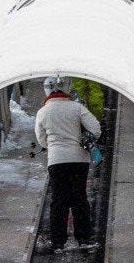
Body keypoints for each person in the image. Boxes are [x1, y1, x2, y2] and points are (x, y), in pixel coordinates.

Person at [34, 75, 103, 252]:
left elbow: (41, 140)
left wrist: (54, 145)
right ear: (67, 89)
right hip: (79, 160)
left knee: (59, 200)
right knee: (79, 198)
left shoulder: (43, 112)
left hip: (56, 161)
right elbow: (96, 129)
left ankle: (58, 241)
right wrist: (83, 138)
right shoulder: (77, 107)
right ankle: (84, 238)